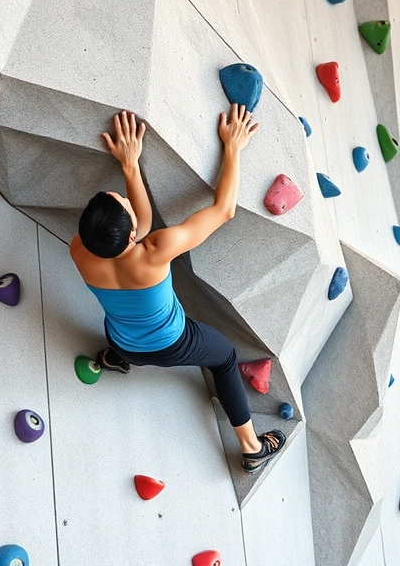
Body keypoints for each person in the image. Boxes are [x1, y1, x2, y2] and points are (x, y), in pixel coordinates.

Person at [69, 105, 286, 473]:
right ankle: (252, 447)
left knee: (124, 331)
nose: (123, 198)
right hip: (172, 345)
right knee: (225, 357)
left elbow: (140, 224)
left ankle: (116, 358)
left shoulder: (80, 249)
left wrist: (130, 166)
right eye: (122, 201)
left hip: (121, 338)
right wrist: (233, 147)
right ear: (132, 237)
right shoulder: (157, 251)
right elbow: (224, 210)